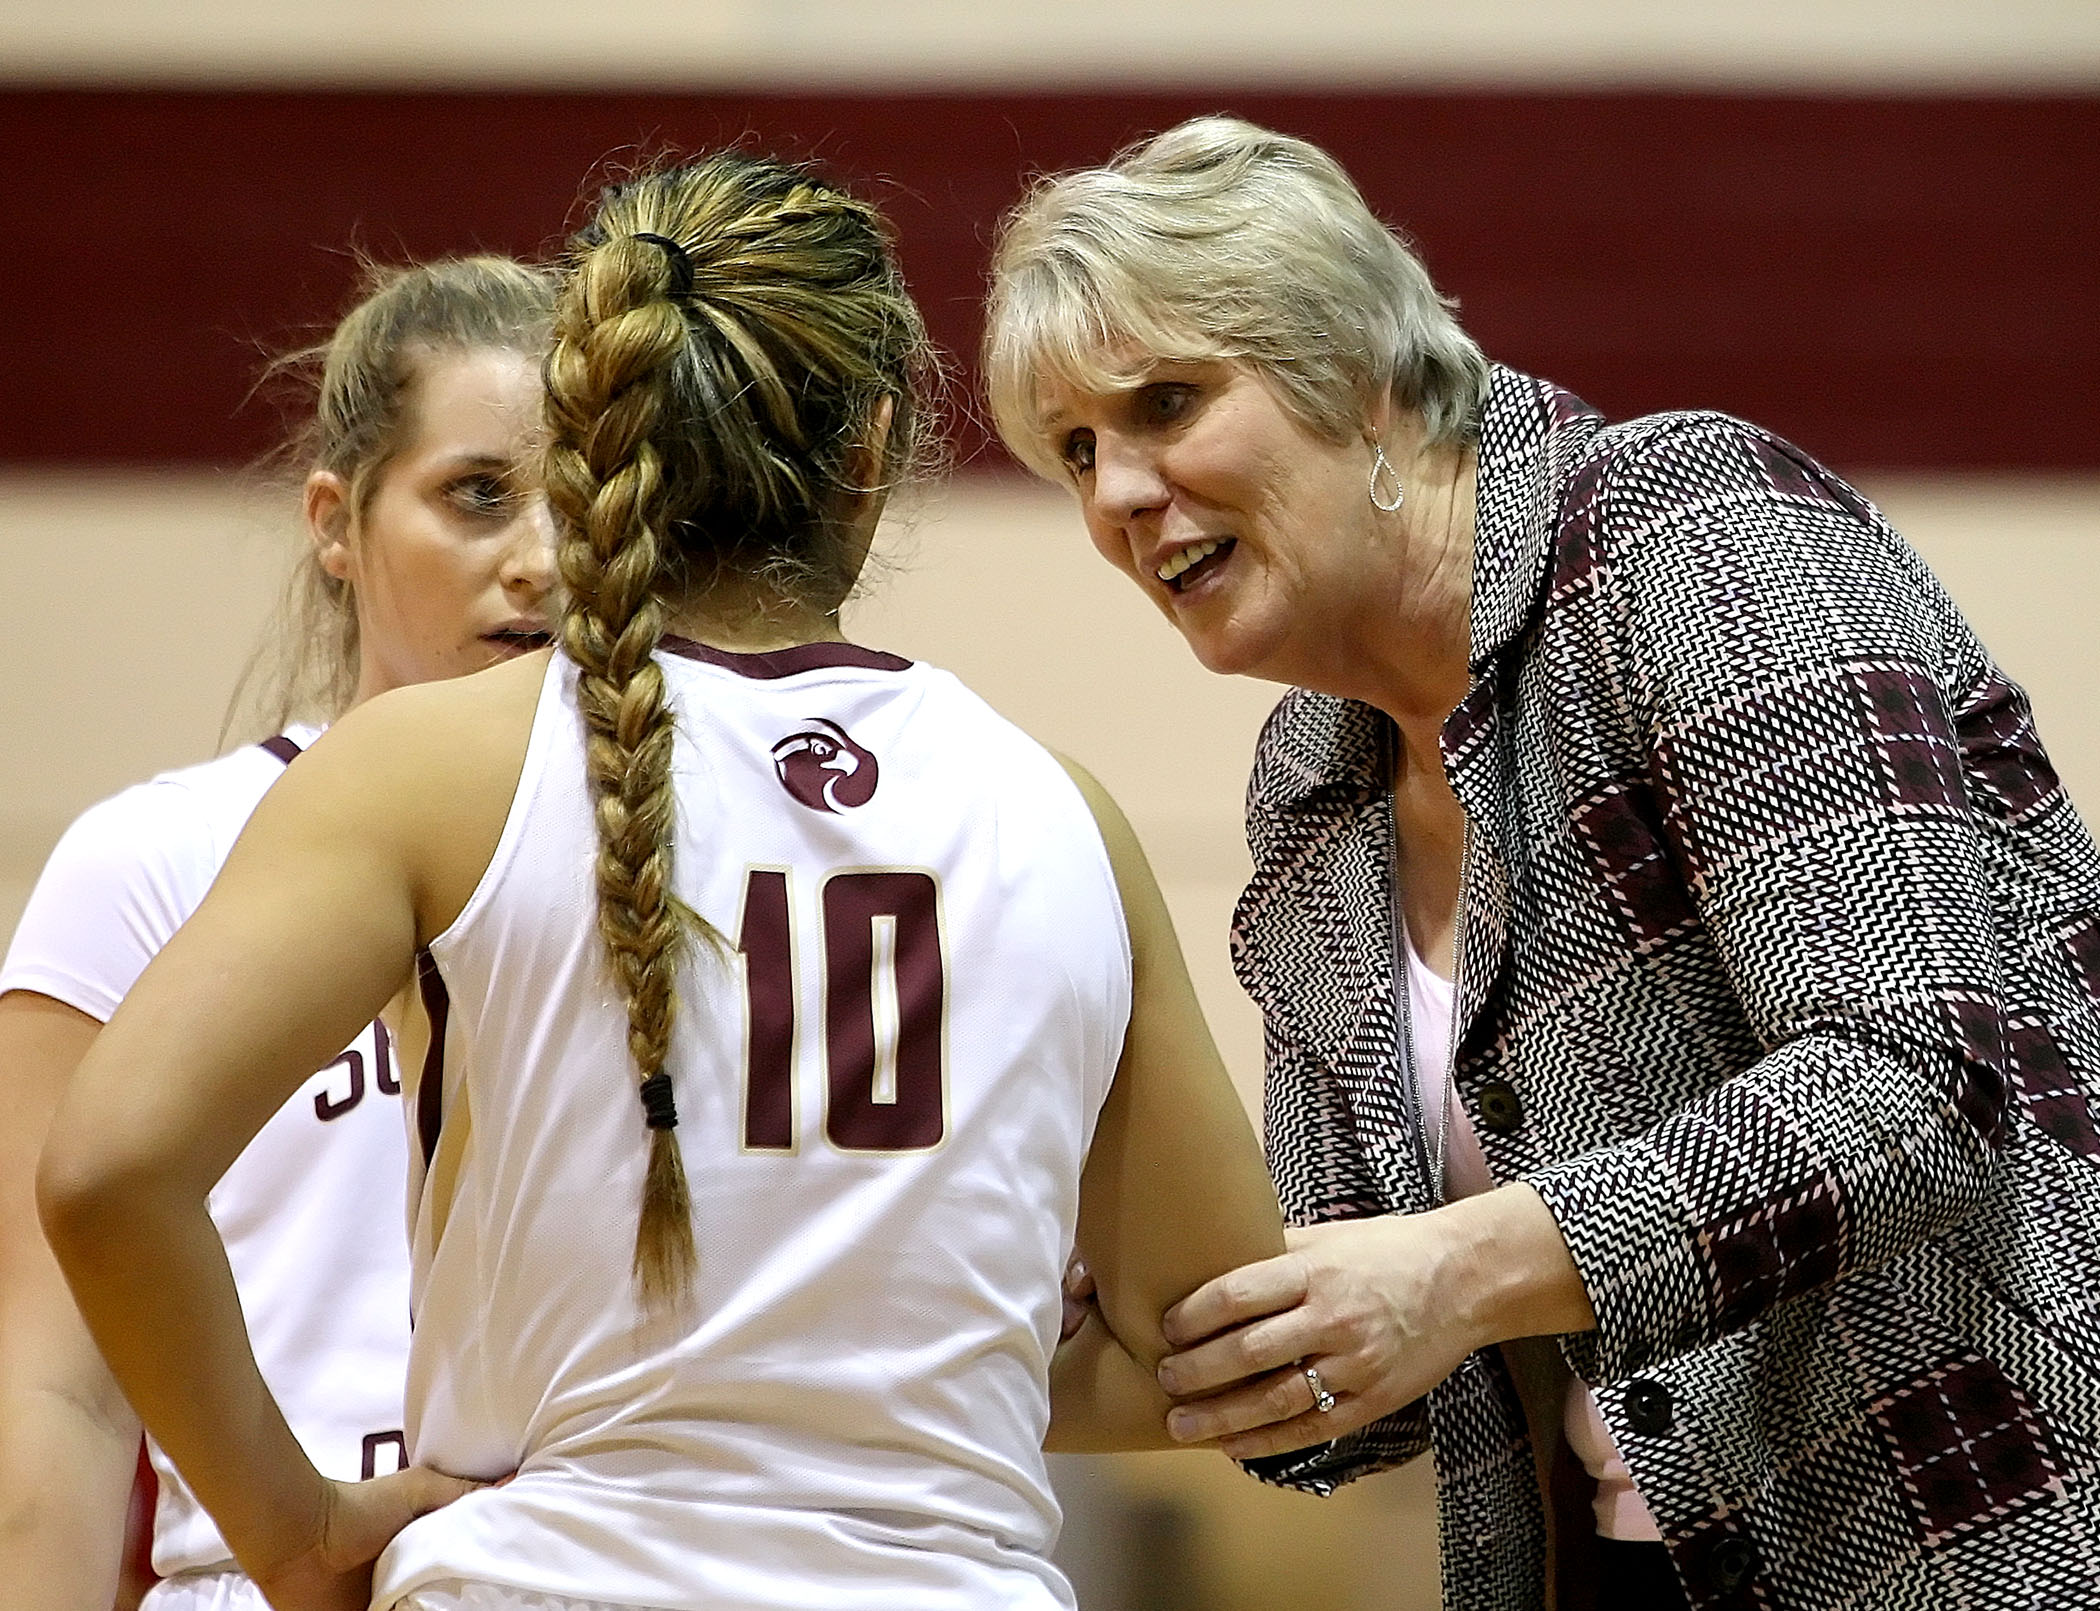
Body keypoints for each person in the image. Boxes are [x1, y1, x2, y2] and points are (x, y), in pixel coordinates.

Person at [36, 150, 1284, 1611]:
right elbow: (1223, 1347)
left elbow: (111, 1170)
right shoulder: (1062, 813)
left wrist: (296, 1529)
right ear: (873, 452)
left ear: (592, 435)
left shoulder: (420, 767)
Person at [981, 115, 2100, 1611]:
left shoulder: (1688, 527)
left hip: (1994, 1526)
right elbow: (1369, 1392)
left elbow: (1911, 1086)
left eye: (1166, 403)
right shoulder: (1316, 784)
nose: (1115, 497)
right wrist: (1066, 1305)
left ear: (1360, 369)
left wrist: (1444, 1276)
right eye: (1075, 454)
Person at [0, 254, 559, 1611]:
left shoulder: (694, 865)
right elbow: (58, 1397)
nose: (544, 558)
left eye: (592, 498)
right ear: (336, 520)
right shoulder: (150, 861)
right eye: (476, 495)